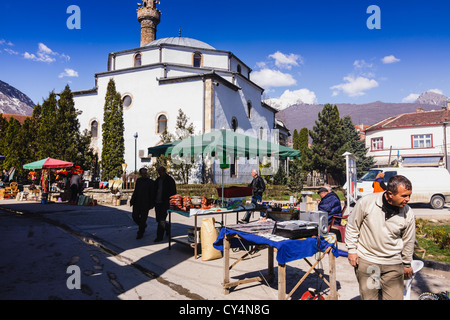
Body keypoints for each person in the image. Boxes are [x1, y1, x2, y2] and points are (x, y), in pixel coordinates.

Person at [345, 175, 416, 300]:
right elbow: (352, 226)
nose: (408, 199)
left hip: (393, 264)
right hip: (368, 262)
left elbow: (408, 240)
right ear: (389, 194)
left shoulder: (408, 212)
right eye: (404, 196)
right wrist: (352, 250)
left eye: (409, 195)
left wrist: (406, 263)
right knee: (370, 298)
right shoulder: (366, 203)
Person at [130, 168, 155, 239]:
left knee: (143, 219)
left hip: (145, 203)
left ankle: (140, 232)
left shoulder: (150, 182)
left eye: (145, 173)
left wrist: (152, 203)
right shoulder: (139, 181)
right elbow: (136, 191)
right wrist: (132, 200)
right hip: (137, 203)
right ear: (141, 174)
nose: (144, 175)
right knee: (135, 216)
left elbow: (152, 193)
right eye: (143, 173)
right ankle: (143, 225)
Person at [154, 166, 177, 242]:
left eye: (161, 171)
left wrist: (171, 201)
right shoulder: (157, 180)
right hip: (158, 202)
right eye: (159, 172)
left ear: (164, 171)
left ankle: (159, 237)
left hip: (165, 202)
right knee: (158, 219)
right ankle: (167, 227)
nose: (160, 173)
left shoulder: (169, 180)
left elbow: (173, 192)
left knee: (161, 220)